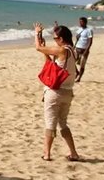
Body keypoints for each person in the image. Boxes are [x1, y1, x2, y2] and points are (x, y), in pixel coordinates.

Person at [34, 22, 80, 162]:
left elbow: (37, 48)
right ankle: (73, 153)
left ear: (60, 38)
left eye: (55, 38)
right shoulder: (73, 51)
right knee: (63, 123)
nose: (55, 41)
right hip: (68, 92)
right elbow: (51, 64)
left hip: (55, 92)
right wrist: (44, 48)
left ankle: (47, 153)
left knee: (50, 123)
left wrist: (36, 34)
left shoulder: (62, 50)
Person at [73, 17, 94, 82]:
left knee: (82, 65)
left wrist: (87, 50)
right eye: (79, 22)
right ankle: (77, 72)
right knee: (72, 62)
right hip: (77, 48)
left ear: (85, 22)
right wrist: (74, 46)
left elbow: (90, 41)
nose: (80, 23)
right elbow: (77, 39)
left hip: (84, 50)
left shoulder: (89, 30)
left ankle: (79, 78)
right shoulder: (79, 30)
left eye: (81, 22)